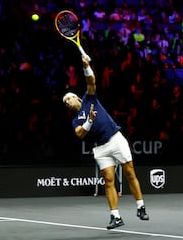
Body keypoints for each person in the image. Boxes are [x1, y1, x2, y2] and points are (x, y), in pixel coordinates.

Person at [62, 54, 149, 230]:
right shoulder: (76, 120)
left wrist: (86, 66)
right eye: (65, 103)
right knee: (108, 181)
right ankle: (115, 217)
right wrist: (89, 121)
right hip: (101, 148)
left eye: (69, 99)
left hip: (115, 139)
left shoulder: (89, 99)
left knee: (130, 173)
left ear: (77, 98)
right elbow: (80, 134)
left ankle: (140, 207)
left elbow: (91, 81)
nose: (67, 103)